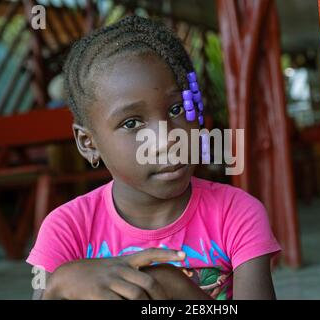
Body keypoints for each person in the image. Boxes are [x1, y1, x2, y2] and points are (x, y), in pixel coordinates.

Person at [27, 15, 281, 300]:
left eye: (176, 110)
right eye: (132, 123)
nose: (167, 139)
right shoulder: (68, 228)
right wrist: (60, 283)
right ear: (89, 143)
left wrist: (174, 288)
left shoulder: (236, 214)